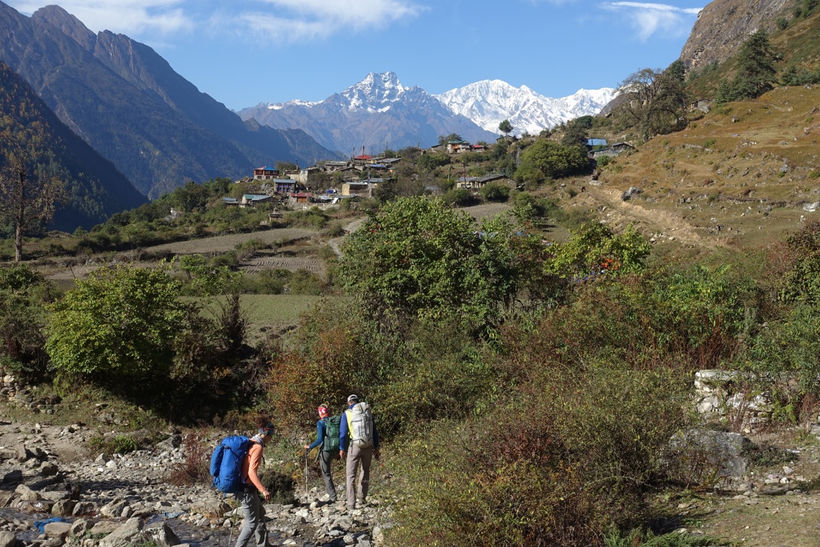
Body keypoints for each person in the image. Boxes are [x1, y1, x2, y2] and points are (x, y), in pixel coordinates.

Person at [235, 420, 274, 547]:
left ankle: (263, 544)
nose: (271, 438)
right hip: (246, 489)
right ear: (266, 435)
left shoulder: (250, 442)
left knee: (261, 514)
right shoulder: (257, 447)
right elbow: (252, 473)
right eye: (271, 435)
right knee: (251, 523)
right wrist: (263, 490)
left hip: (245, 487)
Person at [338, 394, 379, 510]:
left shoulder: (347, 413)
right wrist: (376, 447)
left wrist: (342, 448)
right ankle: (362, 498)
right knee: (365, 471)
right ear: (357, 401)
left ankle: (351, 503)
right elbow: (374, 431)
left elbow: (342, 433)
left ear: (348, 403)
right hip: (368, 445)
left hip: (354, 446)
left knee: (350, 475)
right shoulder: (367, 411)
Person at [303, 404, 338, 503]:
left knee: (326, 473)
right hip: (335, 448)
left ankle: (333, 497)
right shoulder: (333, 421)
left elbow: (319, 439)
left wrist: (309, 446)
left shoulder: (320, 423)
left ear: (320, 413)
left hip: (326, 450)